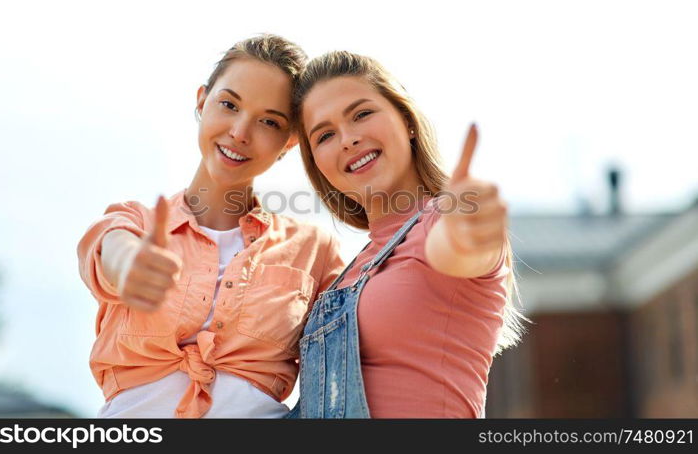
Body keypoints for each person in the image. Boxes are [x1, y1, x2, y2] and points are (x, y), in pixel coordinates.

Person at [77, 35, 344, 418]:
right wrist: (131, 266)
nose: (240, 131)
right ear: (202, 101)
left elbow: (357, 353)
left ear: (289, 141)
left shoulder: (314, 249)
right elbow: (110, 250)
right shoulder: (135, 222)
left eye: (269, 121)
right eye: (229, 104)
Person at [288, 51, 528, 418]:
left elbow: (456, 247)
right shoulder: (344, 277)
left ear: (407, 121)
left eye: (362, 114)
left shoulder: (439, 223)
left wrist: (467, 226)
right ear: (317, 165)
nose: (348, 139)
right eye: (325, 135)